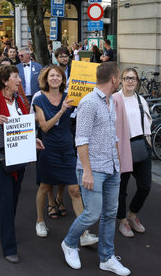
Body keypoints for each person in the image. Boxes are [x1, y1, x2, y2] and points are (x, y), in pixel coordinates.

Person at [61, 62, 131, 275]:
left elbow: (112, 136)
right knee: (92, 214)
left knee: (110, 214)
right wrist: (88, 172)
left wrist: (117, 162)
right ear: (113, 79)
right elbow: (81, 139)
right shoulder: (89, 102)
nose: (119, 80)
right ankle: (70, 243)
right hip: (93, 169)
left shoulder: (110, 102)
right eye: (119, 77)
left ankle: (107, 258)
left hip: (111, 167)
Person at [0, 65, 44, 264]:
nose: (20, 80)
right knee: (6, 199)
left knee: (13, 198)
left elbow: (26, 127)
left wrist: (34, 140)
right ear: (5, 81)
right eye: (16, 77)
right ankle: (9, 246)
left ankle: (5, 226)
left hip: (19, 157)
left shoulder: (20, 101)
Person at [32, 66, 98, 246]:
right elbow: (44, 127)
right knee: (45, 187)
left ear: (63, 78)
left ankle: (83, 233)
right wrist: (61, 110)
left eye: (58, 76)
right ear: (46, 78)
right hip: (48, 148)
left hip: (68, 148)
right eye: (51, 75)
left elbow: (87, 108)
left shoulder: (70, 95)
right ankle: (40, 221)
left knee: (75, 190)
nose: (55, 78)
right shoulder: (39, 98)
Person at [113, 68, 152, 238]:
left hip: (140, 145)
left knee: (145, 186)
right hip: (122, 147)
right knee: (121, 188)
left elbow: (147, 121)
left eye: (133, 78)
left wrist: (148, 140)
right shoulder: (115, 99)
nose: (130, 81)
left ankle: (133, 213)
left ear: (137, 81)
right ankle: (122, 220)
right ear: (121, 80)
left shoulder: (140, 100)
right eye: (127, 78)